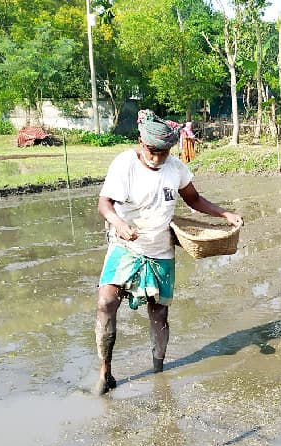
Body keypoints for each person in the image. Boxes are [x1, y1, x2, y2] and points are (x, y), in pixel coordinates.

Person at [93, 109, 244, 395]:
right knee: (106, 302)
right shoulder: (125, 164)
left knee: (159, 313)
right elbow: (104, 204)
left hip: (160, 248)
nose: (157, 158)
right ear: (141, 142)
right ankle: (105, 372)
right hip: (126, 244)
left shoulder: (176, 169)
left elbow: (194, 199)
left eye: (163, 152)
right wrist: (119, 224)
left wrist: (225, 214)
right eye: (152, 151)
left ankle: (158, 371)